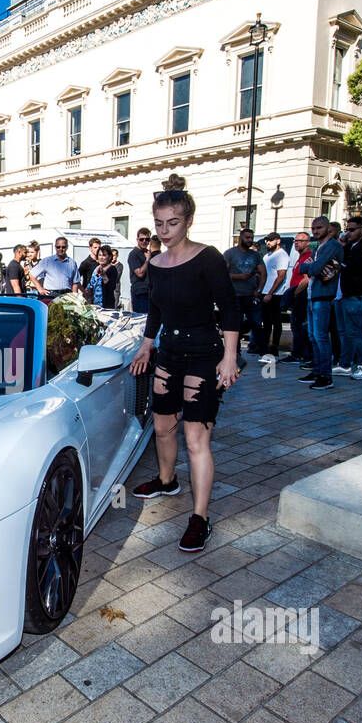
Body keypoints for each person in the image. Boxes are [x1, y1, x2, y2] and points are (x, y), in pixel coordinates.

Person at [129, 177, 242, 552]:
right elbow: (156, 311)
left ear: (188, 221)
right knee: (162, 428)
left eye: (171, 223)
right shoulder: (156, 263)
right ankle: (166, 481)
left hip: (205, 354)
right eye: (158, 223)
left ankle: (200, 517)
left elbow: (229, 307)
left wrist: (229, 358)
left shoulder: (208, 257)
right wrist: (146, 347)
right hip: (169, 355)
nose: (164, 230)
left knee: (196, 438)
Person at [297, 217, 343, 390]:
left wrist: (311, 266)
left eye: (319, 228)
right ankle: (317, 371)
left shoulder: (332, 246)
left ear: (328, 228)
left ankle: (325, 375)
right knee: (313, 335)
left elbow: (314, 269)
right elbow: (302, 267)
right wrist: (311, 266)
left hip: (323, 295)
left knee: (321, 336)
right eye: (313, 228)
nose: (316, 231)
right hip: (313, 294)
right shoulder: (318, 247)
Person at [331, 216, 362, 380]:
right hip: (345, 294)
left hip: (357, 295)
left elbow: (351, 266)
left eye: (351, 229)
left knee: (355, 331)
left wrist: (341, 259)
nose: (347, 233)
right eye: (347, 229)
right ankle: (345, 364)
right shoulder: (350, 246)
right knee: (344, 332)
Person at [223, 228, 265, 352]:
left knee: (256, 323)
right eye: (247, 237)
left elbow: (263, 272)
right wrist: (239, 277)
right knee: (236, 324)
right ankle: (235, 351)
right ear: (240, 238)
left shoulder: (255, 255)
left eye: (251, 238)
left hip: (251, 294)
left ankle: (262, 350)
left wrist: (260, 289)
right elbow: (223, 274)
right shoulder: (230, 253)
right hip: (235, 294)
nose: (250, 240)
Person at [256, 232, 289, 357]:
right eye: (267, 240)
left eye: (270, 240)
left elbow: (281, 276)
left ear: (278, 241)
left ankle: (274, 346)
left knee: (276, 321)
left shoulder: (282, 256)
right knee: (266, 321)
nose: (268, 243)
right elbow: (264, 274)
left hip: (275, 293)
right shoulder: (267, 256)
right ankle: (264, 346)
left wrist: (270, 293)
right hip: (264, 291)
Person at [283, 233, 314, 364]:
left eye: (300, 241)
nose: (296, 243)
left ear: (308, 242)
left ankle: (301, 354)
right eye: (295, 241)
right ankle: (297, 352)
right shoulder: (299, 257)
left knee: (300, 326)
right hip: (297, 295)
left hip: (302, 296)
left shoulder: (308, 257)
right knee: (295, 326)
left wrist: (295, 293)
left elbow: (306, 279)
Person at [127, 227, 152, 313]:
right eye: (142, 239)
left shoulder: (148, 253)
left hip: (149, 291)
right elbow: (140, 273)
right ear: (137, 240)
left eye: (147, 239)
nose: (144, 241)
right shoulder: (134, 254)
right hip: (140, 291)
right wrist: (147, 260)